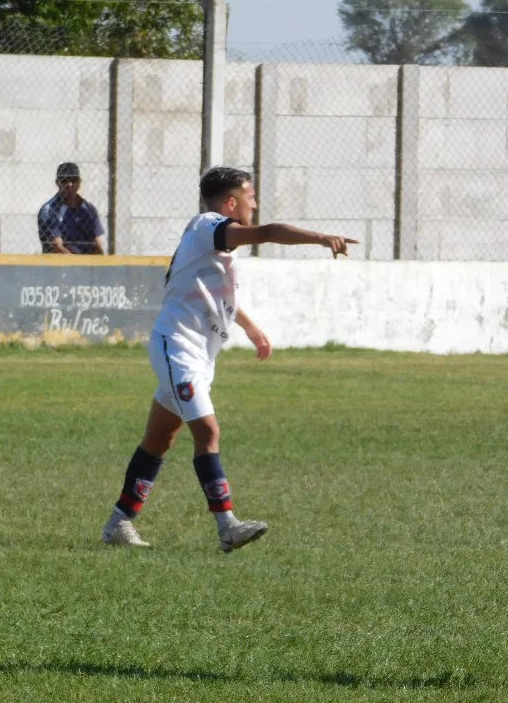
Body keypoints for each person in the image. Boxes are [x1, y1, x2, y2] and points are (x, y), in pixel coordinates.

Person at [101, 166, 357, 552]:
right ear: (232, 202)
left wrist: (251, 328)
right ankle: (227, 525)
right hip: (178, 347)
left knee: (159, 439)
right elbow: (269, 232)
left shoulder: (212, 245)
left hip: (199, 356)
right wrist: (322, 238)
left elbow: (218, 299)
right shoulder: (209, 226)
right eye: (251, 197)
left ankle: (119, 523)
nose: (255, 204)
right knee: (208, 433)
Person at [38, 163, 106, 254]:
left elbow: (98, 245)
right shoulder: (49, 210)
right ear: (57, 182)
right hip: (60, 265)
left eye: (74, 180)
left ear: (79, 182)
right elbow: (58, 248)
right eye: (64, 180)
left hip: (88, 264)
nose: (69, 184)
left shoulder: (89, 210)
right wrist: (78, 265)